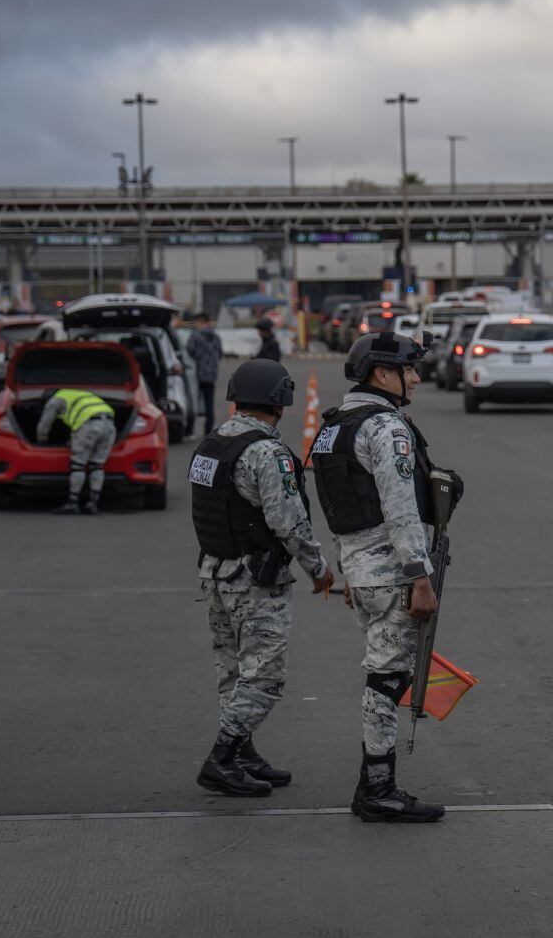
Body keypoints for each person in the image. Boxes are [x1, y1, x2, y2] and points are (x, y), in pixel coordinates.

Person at [309, 332, 453, 823]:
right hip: (392, 572)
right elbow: (399, 507)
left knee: (384, 672)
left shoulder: (332, 426)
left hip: (363, 570)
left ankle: (373, 785)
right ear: (381, 373)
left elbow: (336, 509)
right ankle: (379, 788)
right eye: (408, 369)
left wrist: (350, 573)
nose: (415, 377)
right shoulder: (386, 427)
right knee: (389, 679)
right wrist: (420, 576)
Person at [192, 359, 337, 798]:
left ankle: (243, 753)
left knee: (234, 672)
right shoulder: (266, 453)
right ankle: (222, 758)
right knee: (265, 677)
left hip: (216, 571)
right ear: (281, 399)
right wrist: (318, 567)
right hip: (255, 579)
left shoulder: (211, 444)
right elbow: (288, 521)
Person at [35, 386, 118, 515]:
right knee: (97, 465)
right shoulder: (82, 395)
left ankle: (72, 503)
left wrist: (41, 440)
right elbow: (78, 422)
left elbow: (45, 423)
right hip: (109, 426)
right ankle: (93, 503)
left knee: (78, 465)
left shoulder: (55, 399)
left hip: (89, 426)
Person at [187, 312, 223, 426]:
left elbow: (189, 351)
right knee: (209, 403)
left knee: (192, 400)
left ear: (200, 322)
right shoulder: (216, 336)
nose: (195, 325)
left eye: (196, 322)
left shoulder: (195, 335)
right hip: (211, 375)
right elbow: (220, 354)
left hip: (196, 373)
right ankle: (208, 428)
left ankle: (189, 428)